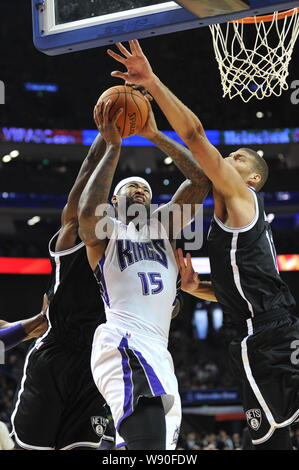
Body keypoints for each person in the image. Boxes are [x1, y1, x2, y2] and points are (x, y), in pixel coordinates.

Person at [108, 39, 299, 450]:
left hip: (264, 339)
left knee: (269, 443)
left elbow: (194, 136)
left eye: (236, 160)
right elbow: (251, 291)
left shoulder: (240, 196)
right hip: (273, 329)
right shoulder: (236, 219)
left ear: (250, 180)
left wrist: (153, 86)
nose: (225, 161)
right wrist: (200, 289)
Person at [78, 97, 210, 450]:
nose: (139, 192)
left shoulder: (163, 228)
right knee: (148, 443)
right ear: (115, 201)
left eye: (145, 191)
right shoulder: (107, 233)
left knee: (152, 447)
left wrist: (153, 133)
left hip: (158, 353)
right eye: (129, 189)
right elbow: (87, 213)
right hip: (124, 342)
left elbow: (200, 181)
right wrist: (113, 148)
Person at [10, 132, 113, 450]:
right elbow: (81, 190)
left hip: (96, 360)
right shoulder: (72, 239)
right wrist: (105, 143)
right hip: (56, 354)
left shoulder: (126, 254)